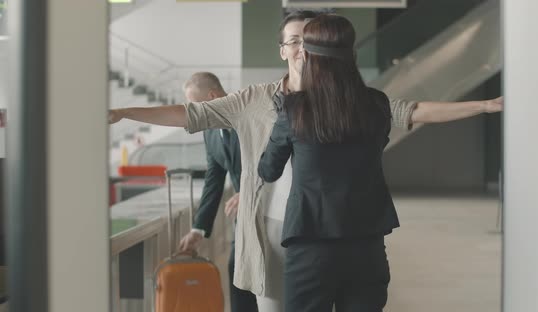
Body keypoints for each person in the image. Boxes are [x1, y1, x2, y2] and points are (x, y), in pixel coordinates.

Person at [108, 11, 503, 311]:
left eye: (307, 39)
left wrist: (484, 104)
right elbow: (191, 115)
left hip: (330, 231)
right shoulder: (254, 100)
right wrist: (127, 112)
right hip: (272, 234)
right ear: (283, 50)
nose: (301, 48)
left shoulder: (353, 101)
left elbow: (413, 110)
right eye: (293, 41)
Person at [257, 14, 399, 311]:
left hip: (311, 246)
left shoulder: (294, 109)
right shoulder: (378, 104)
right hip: (367, 245)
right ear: (353, 56)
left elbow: (268, 170)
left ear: (307, 56)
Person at [175, 72, 258, 312]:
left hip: (272, 215)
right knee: (238, 275)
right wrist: (198, 228)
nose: (194, 114)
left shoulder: (251, 118)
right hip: (243, 220)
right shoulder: (209, 131)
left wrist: (250, 191)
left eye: (195, 105)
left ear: (212, 96)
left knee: (268, 286)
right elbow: (214, 178)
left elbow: (278, 164)